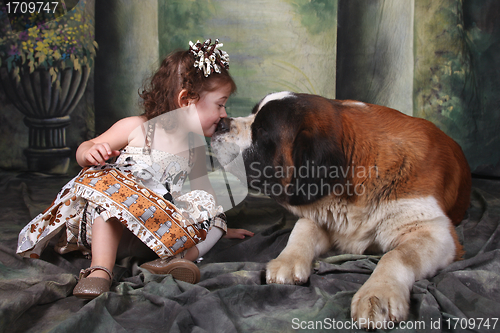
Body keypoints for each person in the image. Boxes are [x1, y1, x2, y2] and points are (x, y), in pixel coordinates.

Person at [16, 39, 253, 299]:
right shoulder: (137, 127)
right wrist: (89, 152)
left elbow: (199, 191)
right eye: (220, 104)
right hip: (112, 230)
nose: (224, 113)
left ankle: (176, 261)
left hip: (157, 236)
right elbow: (88, 145)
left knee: (214, 212)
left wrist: (215, 229)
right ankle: (101, 269)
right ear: (186, 101)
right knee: (109, 185)